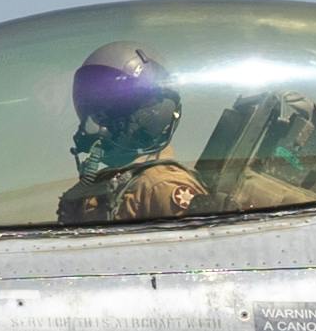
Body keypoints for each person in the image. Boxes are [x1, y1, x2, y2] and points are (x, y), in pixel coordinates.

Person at [58, 42, 206, 223]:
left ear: (152, 114)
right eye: (94, 109)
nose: (93, 122)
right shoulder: (103, 187)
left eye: (110, 111)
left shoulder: (160, 187)